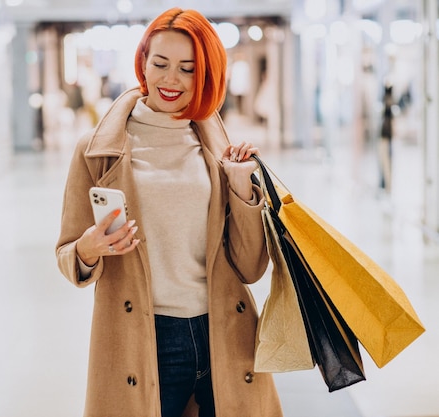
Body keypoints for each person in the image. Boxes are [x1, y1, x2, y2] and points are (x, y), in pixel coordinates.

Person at [56, 7, 282, 417]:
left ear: (205, 74)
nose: (171, 79)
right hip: (145, 337)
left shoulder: (217, 145)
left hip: (223, 332)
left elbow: (250, 268)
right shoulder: (96, 151)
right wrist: (90, 248)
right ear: (142, 62)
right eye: (160, 63)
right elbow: (68, 254)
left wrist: (241, 189)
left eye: (187, 68)